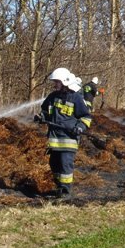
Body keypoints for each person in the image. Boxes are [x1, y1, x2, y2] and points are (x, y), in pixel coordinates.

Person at [36, 67, 92, 199]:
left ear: (65, 82)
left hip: (69, 139)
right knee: (54, 164)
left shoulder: (75, 97)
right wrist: (41, 117)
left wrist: (80, 127)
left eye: (57, 82)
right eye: (54, 82)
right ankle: (59, 187)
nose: (54, 85)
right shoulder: (52, 97)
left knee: (65, 164)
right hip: (54, 139)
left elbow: (86, 117)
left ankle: (65, 192)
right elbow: (45, 111)